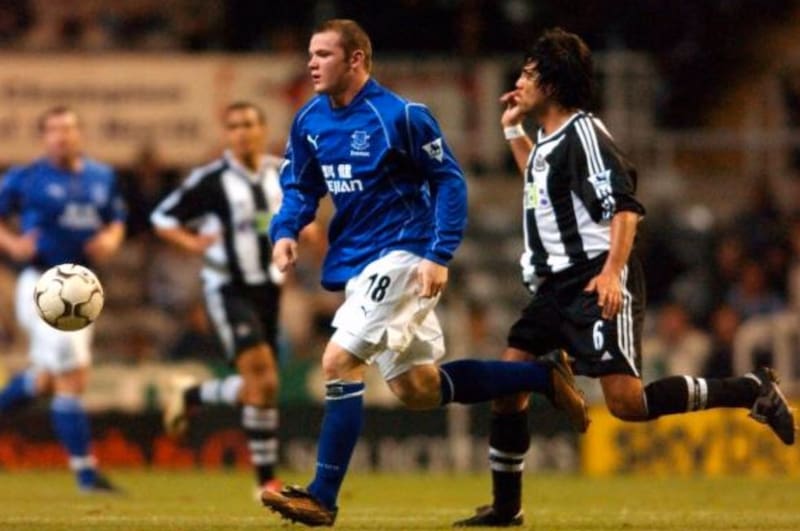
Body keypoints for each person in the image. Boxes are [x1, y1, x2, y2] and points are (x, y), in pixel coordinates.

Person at [454, 28, 797, 527]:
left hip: (594, 279)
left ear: (551, 83)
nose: (520, 81)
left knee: (627, 404)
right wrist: (512, 130)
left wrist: (612, 273)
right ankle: (507, 510)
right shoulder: (550, 140)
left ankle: (749, 391)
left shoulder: (585, 134)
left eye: (529, 73)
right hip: (553, 289)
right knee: (509, 386)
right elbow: (540, 181)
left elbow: (624, 207)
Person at [259, 19, 589, 527]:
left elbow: (449, 183)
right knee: (418, 388)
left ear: (356, 60)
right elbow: (301, 186)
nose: (311, 63)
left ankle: (322, 496)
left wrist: (439, 254)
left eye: (323, 54)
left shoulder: (403, 117)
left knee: (338, 360)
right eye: (310, 53)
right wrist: (286, 230)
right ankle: (540, 374)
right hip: (356, 262)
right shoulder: (308, 121)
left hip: (404, 254)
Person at [151, 101, 290, 494]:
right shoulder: (212, 180)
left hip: (270, 289)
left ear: (262, 128)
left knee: (262, 387)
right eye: (234, 126)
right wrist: (192, 242)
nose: (242, 132)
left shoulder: (281, 173)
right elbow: (162, 217)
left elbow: (300, 213)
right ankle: (266, 483)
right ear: (227, 134)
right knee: (261, 375)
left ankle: (192, 392)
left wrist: (304, 230)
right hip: (227, 287)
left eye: (248, 123)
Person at [0, 105, 126, 492]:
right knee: (73, 376)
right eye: (54, 130)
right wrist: (13, 243)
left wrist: (111, 239)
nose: (62, 136)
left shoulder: (102, 176)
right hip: (43, 283)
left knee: (43, 381)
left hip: (84, 286)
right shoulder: (25, 177)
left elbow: (116, 219)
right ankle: (86, 474)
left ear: (79, 133)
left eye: (69, 129)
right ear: (44, 137)